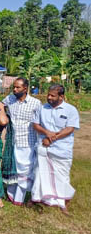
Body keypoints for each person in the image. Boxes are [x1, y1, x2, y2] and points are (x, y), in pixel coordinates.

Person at [31, 84, 79, 214]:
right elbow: (35, 124)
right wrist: (46, 133)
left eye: (52, 95)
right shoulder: (42, 108)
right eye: (48, 94)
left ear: (61, 96)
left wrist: (52, 138)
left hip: (62, 150)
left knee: (62, 177)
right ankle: (39, 199)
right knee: (40, 174)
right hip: (43, 148)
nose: (49, 97)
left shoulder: (70, 110)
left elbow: (70, 129)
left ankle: (63, 203)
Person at [2, 77, 42, 206]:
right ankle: (11, 194)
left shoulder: (35, 103)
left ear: (25, 88)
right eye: (14, 87)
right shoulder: (9, 99)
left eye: (18, 87)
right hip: (12, 142)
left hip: (27, 142)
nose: (14, 89)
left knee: (24, 170)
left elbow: (40, 122)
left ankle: (20, 197)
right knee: (12, 167)